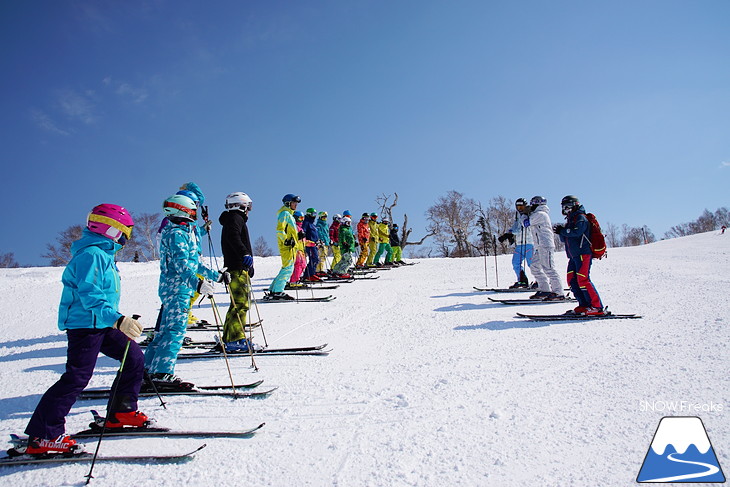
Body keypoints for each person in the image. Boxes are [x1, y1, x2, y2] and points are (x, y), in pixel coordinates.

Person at [22, 204, 147, 455]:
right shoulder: (91, 255)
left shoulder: (104, 255)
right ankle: (45, 435)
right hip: (84, 326)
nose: (125, 238)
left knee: (133, 357)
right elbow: (90, 294)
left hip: (101, 323)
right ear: (110, 230)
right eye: (123, 232)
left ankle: (121, 412)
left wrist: (113, 320)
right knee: (77, 377)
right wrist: (118, 320)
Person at [144, 194, 223, 389]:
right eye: (191, 211)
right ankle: (162, 373)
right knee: (175, 330)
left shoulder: (183, 231)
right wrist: (196, 284)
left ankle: (147, 370)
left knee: (163, 331)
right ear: (182, 211)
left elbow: (194, 262)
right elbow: (182, 264)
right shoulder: (176, 233)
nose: (194, 214)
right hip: (176, 288)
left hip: (176, 288)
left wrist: (217, 275)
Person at [218, 192, 260, 352]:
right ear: (241, 205)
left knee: (236, 304)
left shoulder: (234, 219)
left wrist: (249, 265)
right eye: (248, 206)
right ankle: (235, 339)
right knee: (241, 304)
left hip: (238, 266)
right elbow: (233, 237)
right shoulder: (235, 218)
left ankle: (229, 337)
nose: (249, 209)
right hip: (236, 267)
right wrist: (244, 254)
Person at [555, 195, 604, 315]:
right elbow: (564, 239)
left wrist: (564, 231)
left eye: (567, 206)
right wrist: (561, 231)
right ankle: (584, 304)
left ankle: (596, 307)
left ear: (574, 205)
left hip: (583, 253)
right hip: (573, 256)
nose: (565, 209)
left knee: (583, 279)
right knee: (572, 280)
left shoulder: (580, 217)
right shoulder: (570, 220)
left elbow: (577, 232)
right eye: (564, 207)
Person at [521, 196, 565, 300]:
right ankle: (545, 289)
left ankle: (558, 292)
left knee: (549, 268)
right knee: (534, 267)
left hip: (545, 245)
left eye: (533, 204)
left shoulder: (540, 214)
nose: (531, 206)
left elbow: (525, 224)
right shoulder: (536, 214)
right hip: (539, 245)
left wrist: (523, 215)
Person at [266, 194, 300, 300]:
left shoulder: (290, 215)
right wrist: (286, 241)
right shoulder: (285, 214)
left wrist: (298, 236)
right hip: (287, 246)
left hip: (291, 246)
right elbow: (280, 229)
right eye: (294, 203)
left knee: (286, 268)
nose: (296, 205)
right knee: (288, 268)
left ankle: (273, 289)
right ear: (288, 203)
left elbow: (289, 231)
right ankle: (278, 291)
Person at [498, 198, 534, 288]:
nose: (520, 209)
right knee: (515, 262)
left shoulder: (529, 214)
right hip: (519, 244)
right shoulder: (518, 215)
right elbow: (515, 226)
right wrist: (509, 232)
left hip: (529, 242)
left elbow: (520, 229)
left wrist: (509, 234)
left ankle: (541, 281)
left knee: (532, 264)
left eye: (522, 206)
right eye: (518, 207)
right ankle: (522, 280)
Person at [301, 208, 321, 282]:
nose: (314, 216)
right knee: (314, 258)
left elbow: (315, 234)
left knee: (315, 259)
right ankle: (309, 275)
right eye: (313, 214)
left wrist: (318, 241)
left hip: (314, 244)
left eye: (315, 214)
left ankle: (310, 274)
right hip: (309, 244)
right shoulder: (306, 222)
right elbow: (303, 232)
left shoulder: (313, 224)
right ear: (309, 214)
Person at [288, 210, 307, 286]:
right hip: (296, 249)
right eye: (300, 218)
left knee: (303, 265)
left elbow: (304, 241)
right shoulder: (294, 227)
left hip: (301, 250)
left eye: (303, 218)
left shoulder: (300, 228)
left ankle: (296, 279)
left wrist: (313, 243)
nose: (302, 220)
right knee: (299, 264)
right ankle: (294, 281)